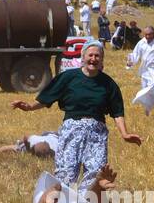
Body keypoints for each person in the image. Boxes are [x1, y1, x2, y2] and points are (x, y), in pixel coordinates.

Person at [12, 40, 141, 190]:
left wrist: (124, 133)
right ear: (83, 57)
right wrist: (29, 107)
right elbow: (48, 97)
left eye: (97, 56)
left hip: (96, 134)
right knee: (65, 174)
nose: (93, 59)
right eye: (90, 55)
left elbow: (117, 111)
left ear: (102, 60)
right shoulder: (68, 77)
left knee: (95, 177)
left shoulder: (108, 84)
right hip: (71, 131)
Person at [126, 25, 154, 116]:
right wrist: (130, 62)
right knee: (148, 89)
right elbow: (135, 54)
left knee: (152, 88)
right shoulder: (141, 43)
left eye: (149, 34)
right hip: (145, 71)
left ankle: (138, 97)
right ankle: (149, 111)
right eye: (145, 34)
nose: (147, 37)